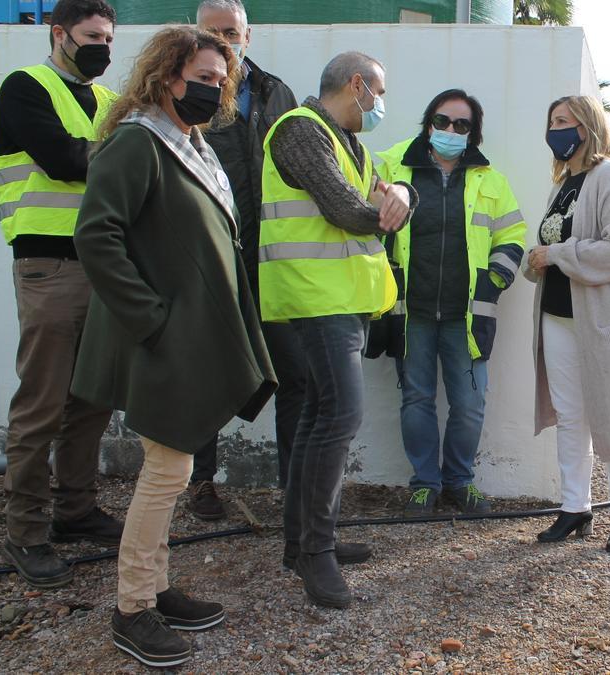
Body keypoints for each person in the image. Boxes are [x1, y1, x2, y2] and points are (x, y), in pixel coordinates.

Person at [71, 26, 276, 667]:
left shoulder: (190, 143)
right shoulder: (138, 142)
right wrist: (153, 321)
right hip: (158, 337)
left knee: (174, 466)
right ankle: (132, 607)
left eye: (221, 82)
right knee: (167, 471)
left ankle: (157, 589)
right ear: (167, 77)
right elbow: (97, 236)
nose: (214, 91)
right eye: (204, 78)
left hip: (183, 333)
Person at [261, 52, 412, 608]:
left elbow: (381, 193)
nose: (381, 106)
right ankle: (314, 554)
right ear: (357, 86)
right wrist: (393, 200)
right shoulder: (300, 131)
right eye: (380, 93)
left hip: (341, 300)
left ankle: (300, 543)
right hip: (312, 297)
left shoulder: (350, 142)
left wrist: (403, 193)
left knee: (319, 416)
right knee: (339, 415)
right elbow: (347, 209)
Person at [0, 0, 124, 589]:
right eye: (92, 37)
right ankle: (26, 533)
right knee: (42, 402)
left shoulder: (112, 101)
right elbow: (64, 160)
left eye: (109, 39)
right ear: (59, 33)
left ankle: (74, 509)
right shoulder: (24, 88)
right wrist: (131, 157)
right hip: (49, 266)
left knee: (91, 399)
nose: (102, 48)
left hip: (105, 265)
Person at [376, 89, 526, 515]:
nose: (450, 130)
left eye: (462, 125)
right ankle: (424, 484)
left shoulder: (491, 181)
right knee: (416, 400)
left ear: (472, 134)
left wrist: (493, 280)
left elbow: (512, 236)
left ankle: (460, 482)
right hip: (412, 313)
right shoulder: (391, 165)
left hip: (467, 316)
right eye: (443, 121)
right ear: (429, 123)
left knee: (469, 404)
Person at [185, 0, 304, 520]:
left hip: (276, 258)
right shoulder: (185, 90)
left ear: (248, 38)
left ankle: (293, 487)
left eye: (232, 32)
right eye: (213, 31)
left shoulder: (278, 92)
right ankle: (200, 484)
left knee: (293, 373)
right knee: (207, 370)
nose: (224, 40)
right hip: (214, 254)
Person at [524, 95, 610, 554]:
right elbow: (551, 241)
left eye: (563, 120)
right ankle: (575, 508)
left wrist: (557, 254)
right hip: (557, 319)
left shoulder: (609, 177)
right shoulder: (563, 184)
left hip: (603, 322)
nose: (554, 129)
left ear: (587, 126)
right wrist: (535, 260)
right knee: (571, 417)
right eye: (551, 120)